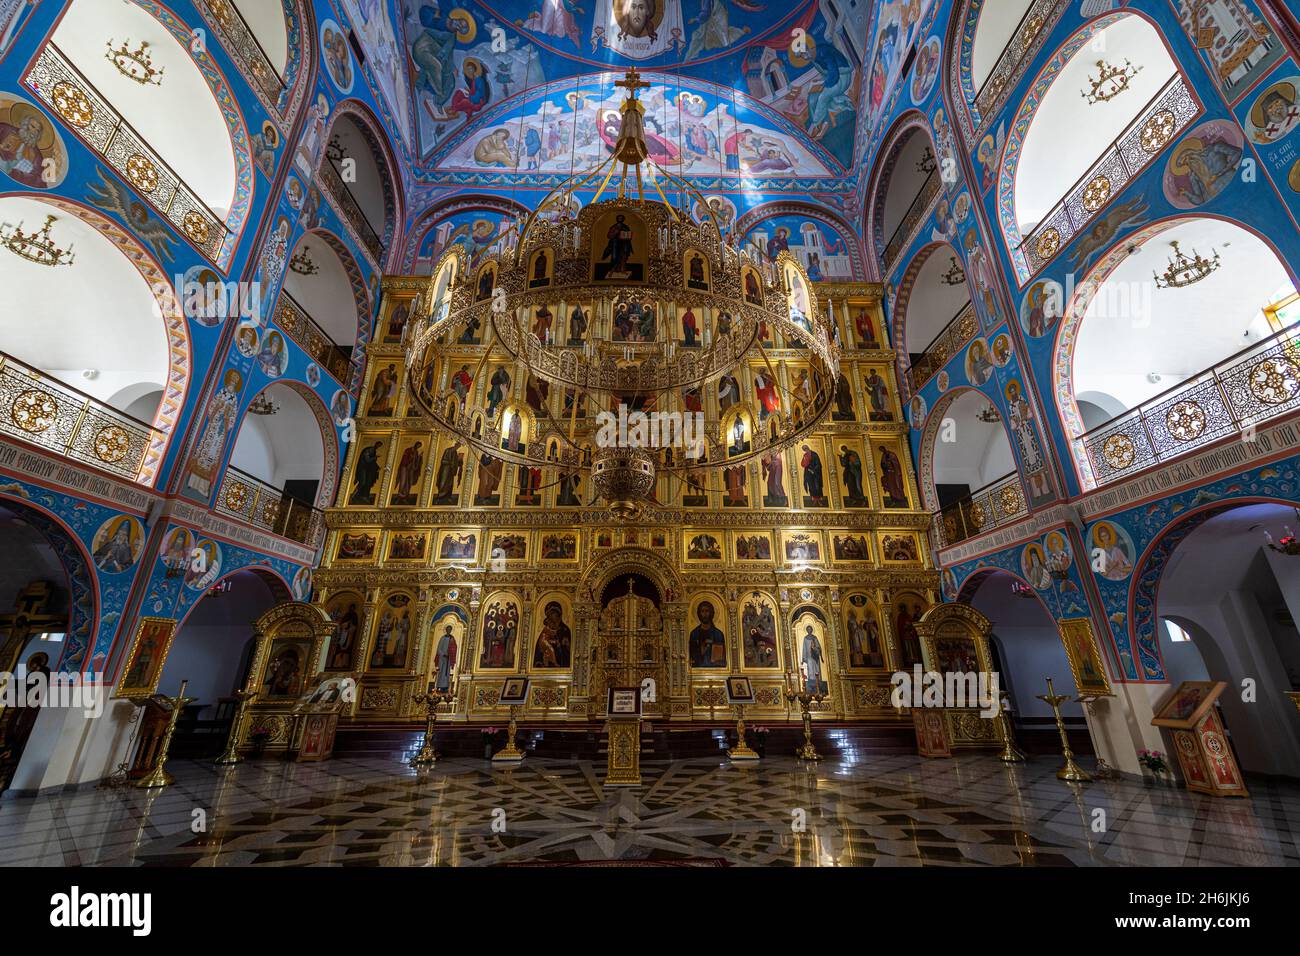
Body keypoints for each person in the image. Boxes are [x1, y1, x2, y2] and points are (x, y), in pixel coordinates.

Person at [689, 601, 725, 667]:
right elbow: (692, 656)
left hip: (715, 671)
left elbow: (719, 659)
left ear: (711, 613)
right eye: (702, 611)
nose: (704, 614)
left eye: (707, 611)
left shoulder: (718, 634)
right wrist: (701, 651)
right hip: (698, 670)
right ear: (699, 614)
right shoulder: (694, 634)